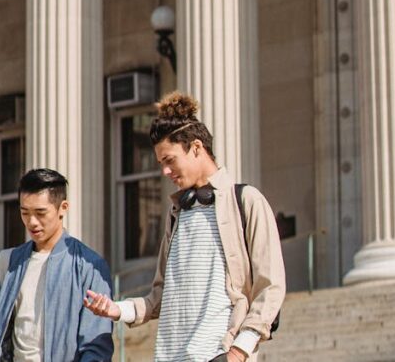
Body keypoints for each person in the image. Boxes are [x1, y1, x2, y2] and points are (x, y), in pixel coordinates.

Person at [84, 92, 286, 362]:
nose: (165, 172)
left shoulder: (245, 201)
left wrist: (239, 351)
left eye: (169, 160)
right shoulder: (176, 213)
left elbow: (270, 286)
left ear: (196, 148)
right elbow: (160, 295)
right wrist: (116, 310)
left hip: (218, 353)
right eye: (160, 164)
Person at [0, 168, 113, 362]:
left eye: (40, 213)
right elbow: (0, 337)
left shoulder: (90, 266)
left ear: (63, 207)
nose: (32, 222)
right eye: (25, 212)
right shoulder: (7, 262)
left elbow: (96, 347)